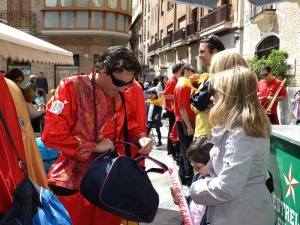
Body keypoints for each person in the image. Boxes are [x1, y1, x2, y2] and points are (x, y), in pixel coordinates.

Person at [41, 46, 153, 225]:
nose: (124, 89)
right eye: (119, 83)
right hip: (73, 182)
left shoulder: (119, 92)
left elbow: (127, 124)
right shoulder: (72, 87)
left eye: (128, 84)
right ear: (103, 70)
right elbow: (52, 134)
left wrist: (140, 136)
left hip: (109, 183)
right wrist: (93, 146)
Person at [190, 66, 276, 225]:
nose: (212, 99)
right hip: (242, 211)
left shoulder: (241, 134)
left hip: (241, 215)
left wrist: (195, 189)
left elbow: (227, 186)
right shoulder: (241, 128)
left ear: (230, 97)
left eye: (216, 93)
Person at [171, 136, 213, 225]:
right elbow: (191, 201)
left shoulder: (218, 186)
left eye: (197, 167)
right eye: (192, 165)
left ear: (212, 163)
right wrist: (178, 198)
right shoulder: (198, 177)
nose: (195, 169)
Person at [191, 35, 225, 140]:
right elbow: (194, 102)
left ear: (214, 53)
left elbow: (198, 101)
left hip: (210, 134)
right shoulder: (211, 74)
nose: (199, 56)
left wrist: (197, 101)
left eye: (202, 52)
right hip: (205, 131)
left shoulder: (219, 75)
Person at [173, 63, 195, 187]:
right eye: (192, 70)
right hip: (185, 121)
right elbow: (182, 108)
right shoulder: (182, 86)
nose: (193, 73)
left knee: (184, 150)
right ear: (186, 71)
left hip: (184, 120)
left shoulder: (183, 84)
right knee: (188, 151)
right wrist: (189, 126)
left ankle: (183, 176)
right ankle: (189, 178)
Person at [163, 63, 182, 159]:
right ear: (179, 70)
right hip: (171, 109)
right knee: (172, 129)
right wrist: (177, 96)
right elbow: (166, 94)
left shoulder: (175, 80)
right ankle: (171, 150)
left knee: (173, 129)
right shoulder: (172, 81)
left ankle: (172, 150)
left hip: (173, 108)